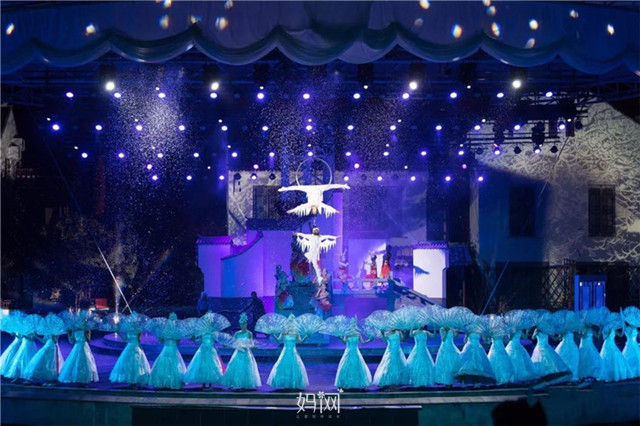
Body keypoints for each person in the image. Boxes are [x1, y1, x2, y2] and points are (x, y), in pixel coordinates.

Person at [184, 312, 230, 388]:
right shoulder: (202, 332)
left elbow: (217, 340)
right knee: (202, 366)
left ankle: (210, 384)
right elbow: (199, 340)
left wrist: (223, 344)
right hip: (203, 350)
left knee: (211, 366)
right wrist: (193, 339)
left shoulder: (213, 332)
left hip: (211, 350)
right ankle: (203, 384)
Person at [108, 312, 151, 386]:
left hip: (134, 348)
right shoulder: (133, 330)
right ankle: (132, 380)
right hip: (131, 347)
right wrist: (118, 333)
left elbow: (136, 340)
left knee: (134, 363)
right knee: (131, 364)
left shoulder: (136, 330)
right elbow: (126, 339)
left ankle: (134, 380)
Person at [58, 309, 99, 384]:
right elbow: (72, 341)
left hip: (83, 347)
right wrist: (68, 333)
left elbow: (87, 340)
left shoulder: (85, 329)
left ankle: (84, 377)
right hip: (77, 347)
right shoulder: (75, 330)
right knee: (77, 362)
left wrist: (85, 332)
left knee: (84, 361)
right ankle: (78, 377)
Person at [222, 313, 262, 389]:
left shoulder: (249, 333)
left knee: (246, 369)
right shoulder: (237, 333)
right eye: (241, 324)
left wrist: (254, 346)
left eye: (244, 324)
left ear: (246, 324)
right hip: (238, 352)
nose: (242, 325)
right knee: (237, 369)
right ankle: (236, 383)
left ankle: (245, 384)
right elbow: (232, 342)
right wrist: (225, 345)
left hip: (246, 353)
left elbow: (251, 344)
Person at [24, 312, 66, 383]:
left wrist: (53, 335)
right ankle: (34, 378)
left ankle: (50, 380)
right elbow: (43, 341)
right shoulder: (47, 331)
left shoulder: (56, 331)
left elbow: (55, 341)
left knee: (50, 363)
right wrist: (36, 336)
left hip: (52, 347)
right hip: (46, 346)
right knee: (40, 360)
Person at [148, 313, 186, 389]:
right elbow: (178, 343)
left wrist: (160, 337)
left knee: (163, 364)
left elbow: (161, 341)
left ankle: (164, 382)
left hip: (166, 349)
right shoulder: (176, 331)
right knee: (174, 365)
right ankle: (171, 382)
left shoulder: (165, 330)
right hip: (173, 349)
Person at [334, 318, 372, 390]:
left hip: (355, 352)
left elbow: (363, 343)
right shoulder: (347, 334)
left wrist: (369, 339)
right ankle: (344, 383)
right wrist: (340, 338)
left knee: (357, 367)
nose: (353, 325)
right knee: (346, 367)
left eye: (354, 324)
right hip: (348, 352)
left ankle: (357, 384)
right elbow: (344, 342)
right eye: (352, 323)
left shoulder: (358, 334)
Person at [278, 182, 350, 218]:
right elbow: (327, 207)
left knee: (297, 187)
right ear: (316, 210)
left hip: (310, 189)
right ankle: (344, 186)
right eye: (315, 210)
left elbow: (300, 207)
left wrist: (292, 211)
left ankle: (284, 189)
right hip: (319, 189)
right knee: (331, 186)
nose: (314, 209)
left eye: (313, 210)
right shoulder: (319, 204)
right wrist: (336, 211)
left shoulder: (309, 205)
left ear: (312, 210)